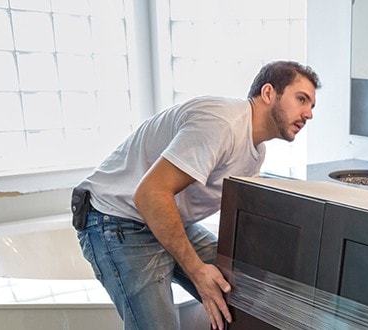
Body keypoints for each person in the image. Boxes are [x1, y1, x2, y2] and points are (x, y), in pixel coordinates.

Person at [73, 61, 320, 330]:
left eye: (311, 106)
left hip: (163, 217)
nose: (308, 114)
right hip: (115, 219)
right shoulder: (220, 123)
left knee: (248, 295)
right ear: (269, 93)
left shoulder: (256, 153)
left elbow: (238, 222)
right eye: (301, 99)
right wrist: (198, 273)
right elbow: (149, 194)